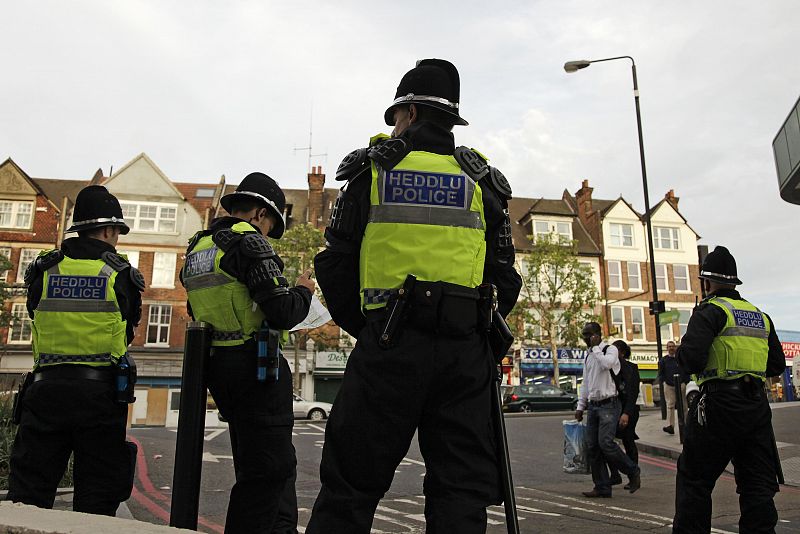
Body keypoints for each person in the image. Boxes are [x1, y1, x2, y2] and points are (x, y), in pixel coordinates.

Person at [306, 58, 522, 533]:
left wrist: (368, 327)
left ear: (410, 113)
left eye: (397, 116)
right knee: (460, 492)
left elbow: (335, 264)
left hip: (389, 345)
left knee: (350, 487)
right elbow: (505, 279)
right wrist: (469, 325)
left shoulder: (372, 174)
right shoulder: (483, 182)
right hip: (465, 353)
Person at [181, 172, 315, 534]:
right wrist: (303, 291)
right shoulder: (248, 242)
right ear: (258, 213)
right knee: (267, 471)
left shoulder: (199, 246)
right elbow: (282, 311)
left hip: (218, 366)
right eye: (270, 223)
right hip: (255, 366)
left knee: (266, 463)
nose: (268, 232)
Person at [8, 185, 143, 515]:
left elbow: (33, 311)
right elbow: (127, 329)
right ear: (109, 230)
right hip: (100, 395)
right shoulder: (120, 273)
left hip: (44, 392)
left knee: (28, 495)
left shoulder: (43, 268)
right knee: (97, 496)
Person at [672, 246, 786, 534]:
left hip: (719, 406)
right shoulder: (760, 316)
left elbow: (692, 359)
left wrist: (682, 356)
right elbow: (775, 365)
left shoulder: (709, 311)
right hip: (756, 408)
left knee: (695, 481)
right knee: (757, 484)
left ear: (707, 283)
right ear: (734, 282)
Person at [575, 322, 641, 498]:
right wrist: (581, 406)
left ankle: (633, 471)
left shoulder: (609, 350)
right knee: (593, 447)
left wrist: (596, 348)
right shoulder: (588, 356)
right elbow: (586, 384)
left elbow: (607, 364)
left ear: (597, 334)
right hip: (594, 406)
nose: (585, 339)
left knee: (606, 443)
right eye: (584, 335)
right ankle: (602, 486)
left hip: (609, 405)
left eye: (588, 335)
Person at [607, 339, 641, 490]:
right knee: (606, 442)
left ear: (621, 352)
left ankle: (633, 475)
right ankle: (615, 474)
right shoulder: (611, 367)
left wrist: (626, 413)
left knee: (628, 440)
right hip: (614, 409)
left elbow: (633, 392)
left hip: (629, 410)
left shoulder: (631, 368)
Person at [658, 340, 687, 434]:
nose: (671, 348)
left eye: (673, 346)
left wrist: (686, 381)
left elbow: (686, 369)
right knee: (670, 405)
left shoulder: (680, 359)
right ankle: (671, 426)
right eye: (669, 346)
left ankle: (685, 424)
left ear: (675, 348)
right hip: (669, 385)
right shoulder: (663, 360)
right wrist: (663, 382)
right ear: (667, 348)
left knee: (683, 405)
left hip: (681, 384)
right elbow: (661, 373)